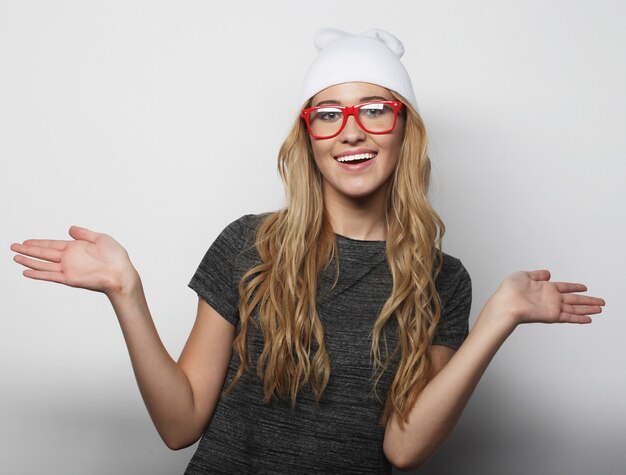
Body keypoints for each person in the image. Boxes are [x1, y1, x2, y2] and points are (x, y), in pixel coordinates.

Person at [10, 28, 604, 473]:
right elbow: (179, 423)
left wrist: (497, 320)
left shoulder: (443, 280)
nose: (351, 130)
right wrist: (126, 293)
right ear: (308, 137)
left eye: (375, 109)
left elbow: (404, 448)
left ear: (404, 129)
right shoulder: (248, 244)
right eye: (328, 114)